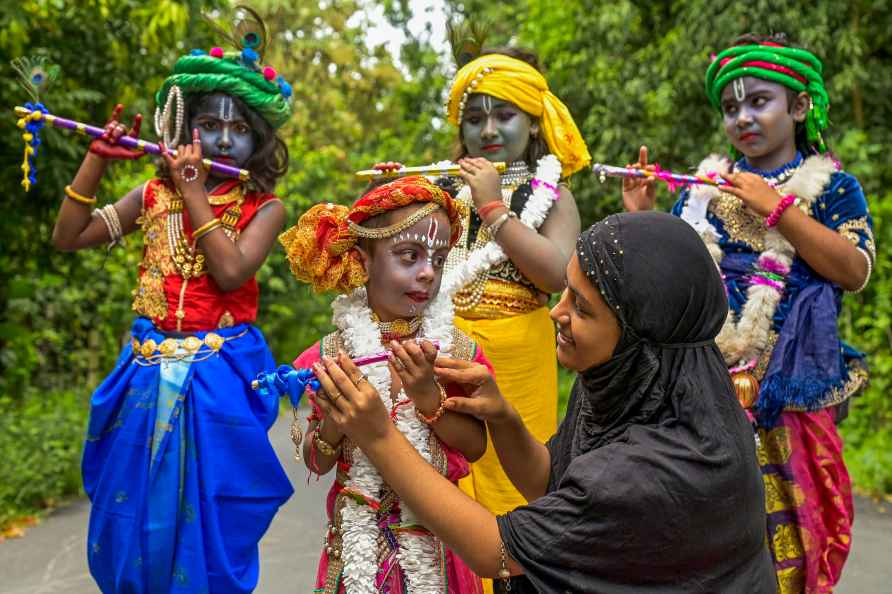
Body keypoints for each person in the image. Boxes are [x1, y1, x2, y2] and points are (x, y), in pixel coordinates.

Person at [308, 211, 777, 593]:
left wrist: (380, 437)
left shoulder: (661, 464)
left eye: (583, 307)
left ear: (640, 337)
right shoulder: (624, 385)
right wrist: (505, 418)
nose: (557, 310)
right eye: (568, 289)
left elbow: (495, 551)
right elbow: (553, 483)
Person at [623, 33, 873, 593]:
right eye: (731, 106)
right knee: (701, 532)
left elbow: (855, 271)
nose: (743, 117)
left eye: (759, 100)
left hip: (792, 382)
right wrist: (642, 217)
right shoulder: (701, 189)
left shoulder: (834, 187)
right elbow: (667, 282)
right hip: (702, 387)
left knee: (800, 529)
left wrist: (778, 208)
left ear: (800, 105)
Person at [51, 27, 294, 593]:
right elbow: (70, 235)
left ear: (257, 140)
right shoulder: (150, 195)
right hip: (144, 370)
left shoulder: (266, 207)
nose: (225, 141)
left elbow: (231, 272)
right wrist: (94, 160)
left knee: (210, 516)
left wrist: (193, 191)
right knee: (130, 512)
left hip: (219, 376)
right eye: (210, 126)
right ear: (186, 132)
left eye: (239, 129)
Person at [278, 175, 488, 593]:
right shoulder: (332, 355)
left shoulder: (457, 354)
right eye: (409, 256)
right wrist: (337, 423)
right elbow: (317, 464)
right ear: (363, 260)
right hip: (356, 554)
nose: (428, 273)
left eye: (440, 259)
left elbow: (476, 447)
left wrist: (430, 398)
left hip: (439, 549)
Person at [439, 44, 591, 527]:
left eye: (504, 115)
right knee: (449, 484)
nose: (487, 130)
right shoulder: (440, 188)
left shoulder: (552, 192)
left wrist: (494, 211)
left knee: (517, 485)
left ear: (533, 122)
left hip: (520, 357)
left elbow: (555, 273)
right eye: (474, 119)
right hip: (447, 348)